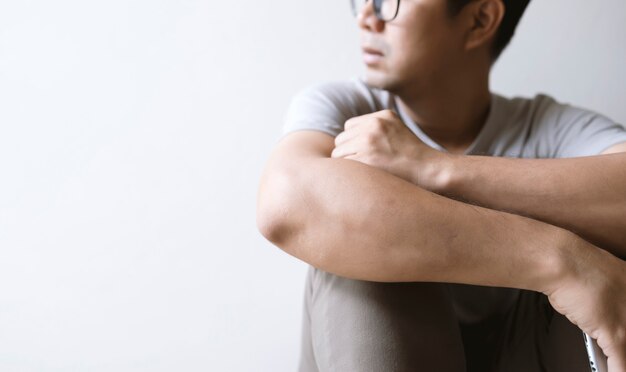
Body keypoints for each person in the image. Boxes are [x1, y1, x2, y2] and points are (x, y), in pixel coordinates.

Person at [256, 0, 626, 371]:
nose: (367, 16)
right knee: (349, 242)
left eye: (390, 2)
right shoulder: (345, 111)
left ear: (480, 19)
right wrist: (561, 261)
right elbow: (285, 203)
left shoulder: (552, 128)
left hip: (530, 350)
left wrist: (435, 169)